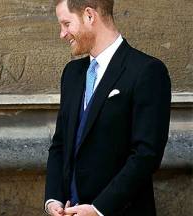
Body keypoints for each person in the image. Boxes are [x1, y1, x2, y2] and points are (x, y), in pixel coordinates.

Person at [45, 0, 171, 215]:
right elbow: (60, 144)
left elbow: (146, 154)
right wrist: (52, 199)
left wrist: (98, 209)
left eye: (66, 24)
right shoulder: (72, 73)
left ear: (89, 16)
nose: (62, 34)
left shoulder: (146, 71)